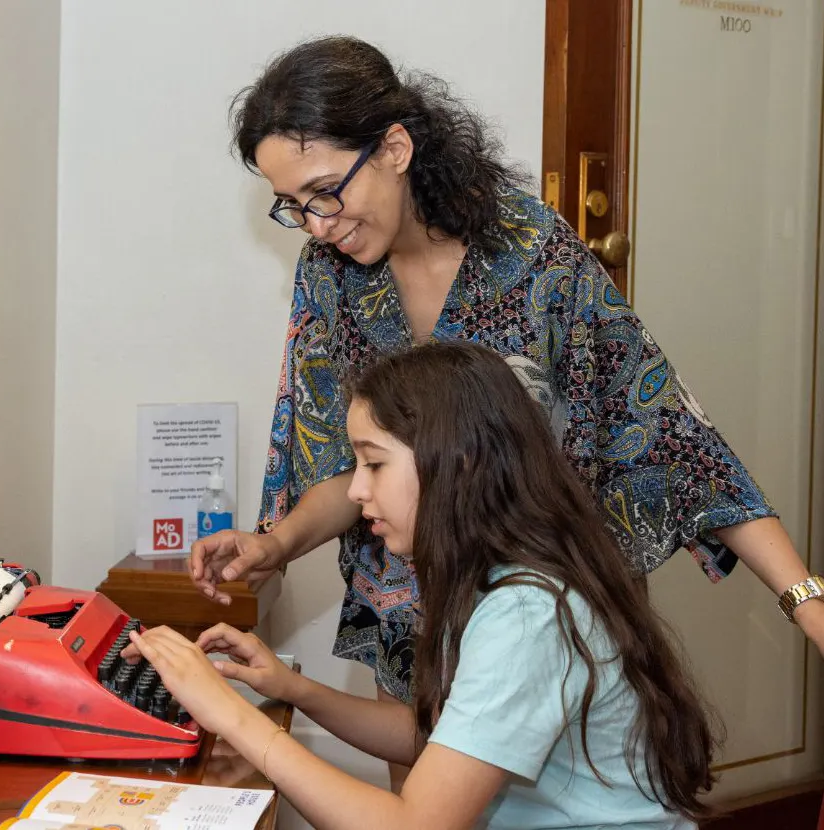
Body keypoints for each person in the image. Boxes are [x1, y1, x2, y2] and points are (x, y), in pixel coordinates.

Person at [189, 34, 824, 788]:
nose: (318, 224)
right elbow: (344, 470)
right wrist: (278, 543)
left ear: (395, 147)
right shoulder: (329, 276)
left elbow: (673, 436)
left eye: (327, 192)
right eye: (294, 207)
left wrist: (805, 601)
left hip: (541, 619)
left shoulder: (532, 254)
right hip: (415, 623)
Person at [131, 341, 718, 830]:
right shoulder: (498, 578)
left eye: (374, 463)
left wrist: (231, 717)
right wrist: (293, 689)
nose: (357, 492)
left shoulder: (527, 612)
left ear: (457, 464)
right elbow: (441, 738)